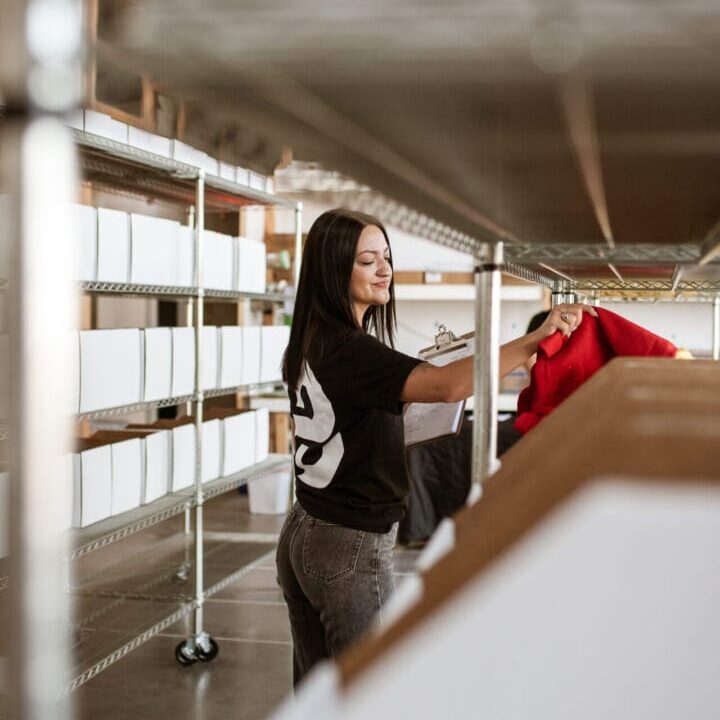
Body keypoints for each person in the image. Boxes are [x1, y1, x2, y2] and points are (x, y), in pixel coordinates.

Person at [276, 208, 594, 685]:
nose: (385, 270)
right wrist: (536, 338)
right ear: (333, 268)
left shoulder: (314, 339)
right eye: (368, 261)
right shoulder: (352, 350)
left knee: (319, 694)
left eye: (386, 257)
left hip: (306, 529)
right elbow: (447, 387)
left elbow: (357, 419)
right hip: (349, 543)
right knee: (369, 693)